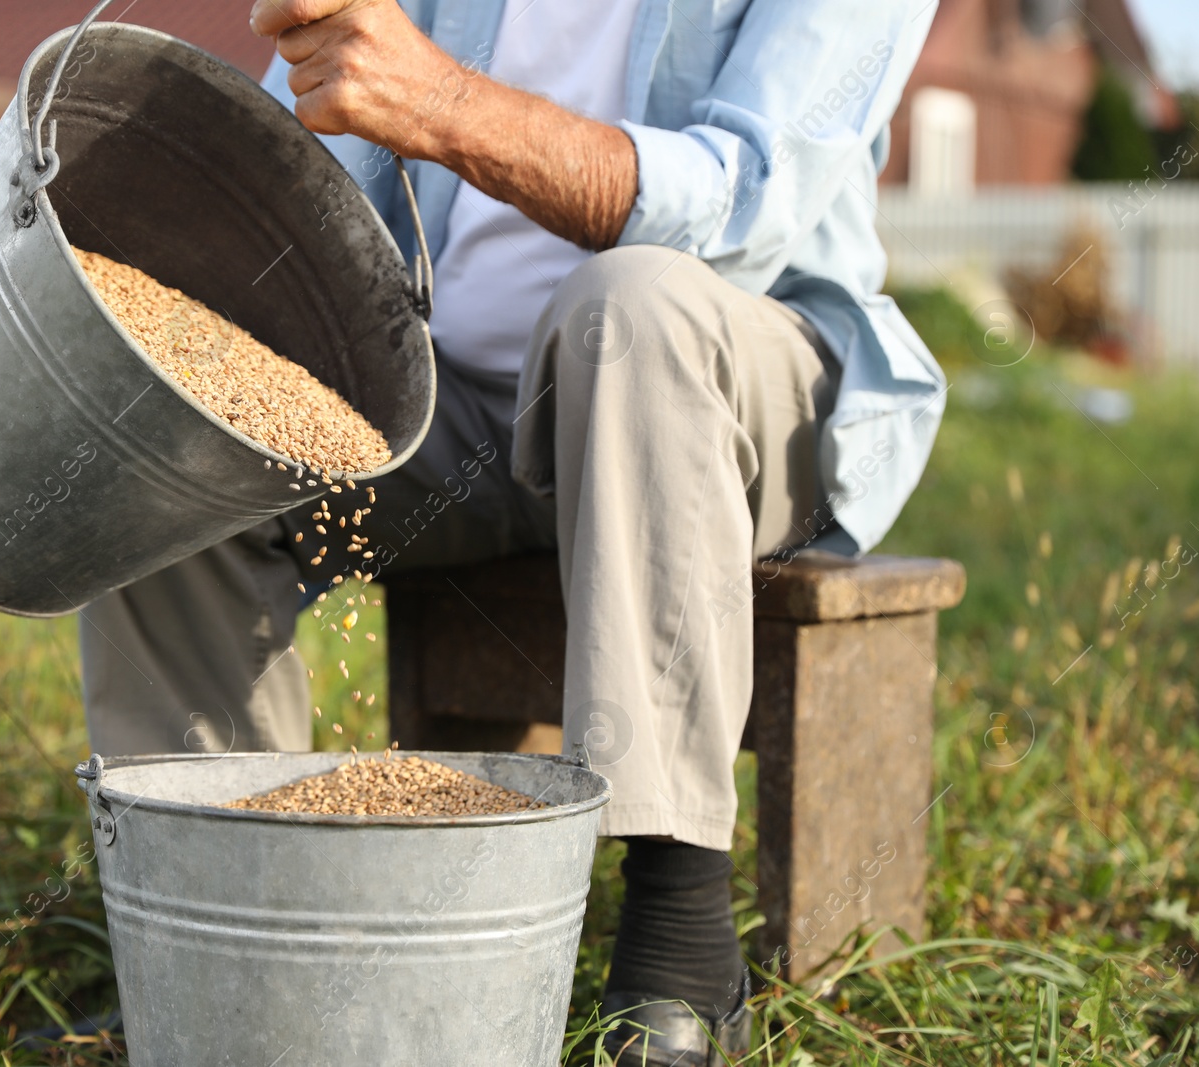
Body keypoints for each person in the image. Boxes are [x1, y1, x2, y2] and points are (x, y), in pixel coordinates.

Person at [80, 0, 945, 1062]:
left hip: (722, 385)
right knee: (189, 420)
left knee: (633, 305)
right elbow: (303, 178)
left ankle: (679, 935)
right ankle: (212, 936)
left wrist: (442, 103)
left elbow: (747, 204)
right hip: (447, 401)